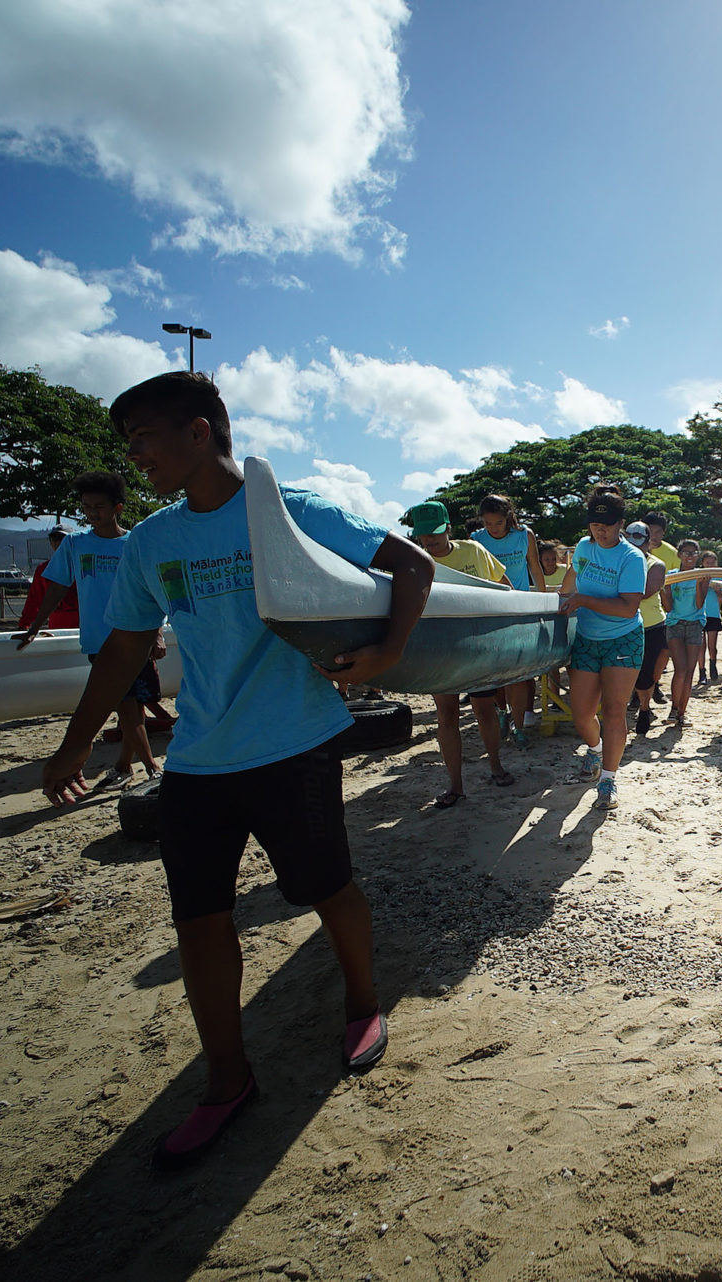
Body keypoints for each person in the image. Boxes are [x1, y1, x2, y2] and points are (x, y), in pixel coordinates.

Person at [41, 371, 434, 1168]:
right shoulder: (153, 540)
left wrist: (387, 652)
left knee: (326, 888)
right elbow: (124, 645)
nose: (135, 457)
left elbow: (412, 564)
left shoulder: (289, 511)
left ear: (198, 431)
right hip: (198, 760)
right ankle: (226, 1079)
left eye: (144, 438)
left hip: (295, 742)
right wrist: (77, 741)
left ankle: (362, 1000)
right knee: (199, 919)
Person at [16, 471, 162, 789]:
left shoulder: (134, 542)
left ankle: (125, 766)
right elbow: (54, 588)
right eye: (86, 507)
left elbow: (152, 591)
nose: (92, 513)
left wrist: (158, 634)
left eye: (99, 506)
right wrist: (34, 627)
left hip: (137, 638)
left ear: (117, 508)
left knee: (134, 707)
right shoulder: (75, 544)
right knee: (127, 706)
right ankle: (152, 768)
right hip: (101, 641)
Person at [409, 501, 514, 806]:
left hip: (479, 646)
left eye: (436, 533)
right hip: (439, 650)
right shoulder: (414, 561)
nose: (430, 540)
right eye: (424, 535)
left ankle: (495, 766)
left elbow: (503, 586)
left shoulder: (473, 551)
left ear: (448, 529)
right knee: (447, 715)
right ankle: (455, 785)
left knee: (484, 710)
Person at [559, 489, 648, 810]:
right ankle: (595, 750)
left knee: (614, 710)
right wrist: (561, 598)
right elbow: (573, 575)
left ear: (620, 523)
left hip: (623, 638)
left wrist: (582, 601)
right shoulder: (584, 547)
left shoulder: (631, 557)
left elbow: (628, 608)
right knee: (581, 712)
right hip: (586, 637)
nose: (601, 530)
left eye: (608, 524)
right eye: (595, 523)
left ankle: (608, 779)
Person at [469, 493, 539, 747]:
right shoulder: (477, 541)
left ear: (508, 518)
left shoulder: (524, 536)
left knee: (520, 674)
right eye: (488, 523)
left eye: (498, 523)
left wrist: (541, 601)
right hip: (491, 611)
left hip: (519, 608)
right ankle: (501, 712)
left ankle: (519, 726)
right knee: (496, 674)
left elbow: (534, 567)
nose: (493, 528)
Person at [625, 519, 673, 736]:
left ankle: (644, 707)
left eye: (640, 543)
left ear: (648, 544)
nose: (635, 547)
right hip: (622, 623)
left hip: (651, 624)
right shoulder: (619, 560)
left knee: (647, 673)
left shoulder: (656, 564)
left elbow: (644, 591)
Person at [662, 539, 712, 728]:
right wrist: (664, 590)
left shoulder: (702, 575)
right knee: (680, 669)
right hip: (675, 624)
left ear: (698, 555)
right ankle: (674, 708)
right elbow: (668, 607)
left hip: (694, 624)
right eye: (686, 552)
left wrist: (700, 585)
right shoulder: (672, 576)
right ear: (679, 554)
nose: (690, 556)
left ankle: (682, 713)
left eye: (693, 552)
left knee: (689, 672)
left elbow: (699, 604)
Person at [635, 512, 681, 710]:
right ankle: (637, 694)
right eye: (649, 531)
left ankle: (653, 686)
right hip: (633, 614)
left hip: (661, 613)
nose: (653, 536)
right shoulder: (629, 551)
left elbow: (676, 583)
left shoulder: (671, 554)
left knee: (661, 654)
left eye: (658, 531)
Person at [17, 528, 81, 632]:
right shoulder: (44, 569)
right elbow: (34, 600)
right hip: (56, 626)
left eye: (62, 538)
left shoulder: (84, 566)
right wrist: (24, 624)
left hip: (83, 625)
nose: (57, 542)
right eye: (54, 538)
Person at [699, 550, 722, 680]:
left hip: (713, 613)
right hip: (700, 613)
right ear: (703, 563)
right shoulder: (698, 575)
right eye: (707, 562)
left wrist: (718, 592)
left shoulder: (719, 576)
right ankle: (701, 671)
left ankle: (713, 664)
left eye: (712, 562)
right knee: (701, 645)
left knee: (712, 645)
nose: (710, 565)